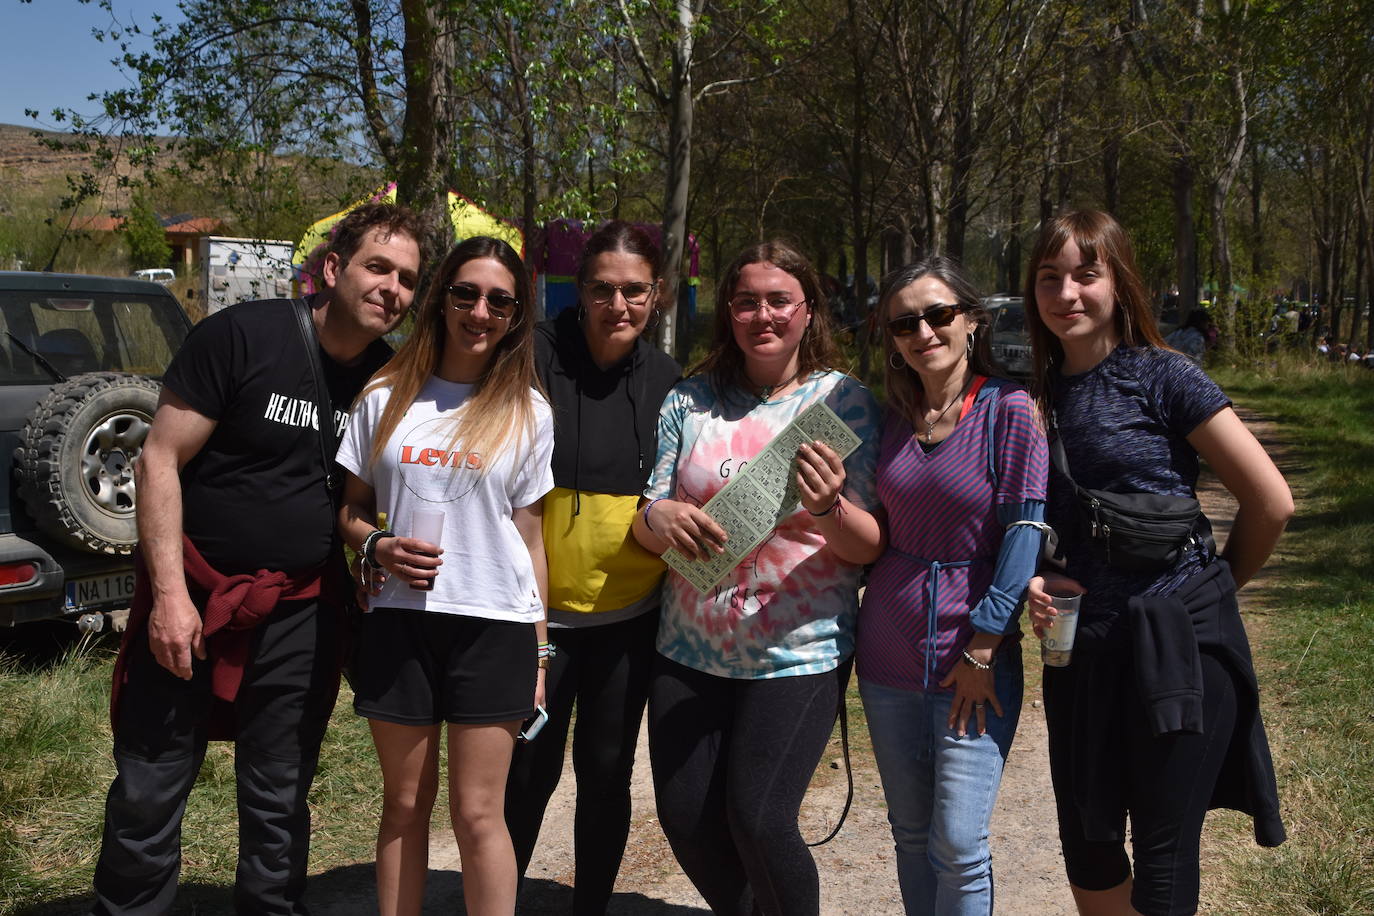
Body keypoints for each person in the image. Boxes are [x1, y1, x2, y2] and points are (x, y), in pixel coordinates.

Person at [90, 202, 423, 915]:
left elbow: (368, 500)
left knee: (278, 797)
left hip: (301, 614)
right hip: (195, 597)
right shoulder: (242, 337)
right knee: (150, 789)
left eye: (406, 278)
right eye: (377, 267)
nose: (391, 288)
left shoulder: (389, 382)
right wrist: (172, 600)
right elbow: (158, 460)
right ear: (333, 268)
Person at [1023, 210, 1292, 916]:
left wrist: (1214, 589)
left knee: (1165, 857)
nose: (1067, 293)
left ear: (1119, 281)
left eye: (1086, 274)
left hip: (1175, 647)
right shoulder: (1030, 398)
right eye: (1050, 278)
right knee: (1088, 841)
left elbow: (1270, 500)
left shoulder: (1164, 376)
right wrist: (1034, 579)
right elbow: (1025, 522)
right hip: (1080, 654)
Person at [630, 240, 884, 916]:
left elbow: (868, 546)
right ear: (728, 312)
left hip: (796, 653)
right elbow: (644, 512)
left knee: (761, 819)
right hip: (688, 647)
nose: (762, 315)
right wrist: (663, 516)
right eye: (747, 301)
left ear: (808, 311)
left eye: (779, 301)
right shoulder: (690, 400)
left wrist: (829, 506)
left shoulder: (845, 402)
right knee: (685, 820)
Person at [335, 236, 553, 916]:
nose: (480, 311)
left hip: (495, 627)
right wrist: (375, 547)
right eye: (466, 293)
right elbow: (350, 509)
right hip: (400, 623)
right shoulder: (383, 395)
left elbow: (530, 536)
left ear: (517, 316)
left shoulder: (530, 411)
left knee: (479, 815)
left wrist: (541, 652)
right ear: (442, 299)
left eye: (499, 300)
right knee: (403, 805)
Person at [857, 256, 1049, 914]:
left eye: (939, 315)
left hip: (973, 656)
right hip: (885, 656)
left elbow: (1026, 531)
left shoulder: (1009, 410)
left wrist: (986, 643)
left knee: (960, 842)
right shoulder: (892, 417)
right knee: (911, 835)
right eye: (904, 322)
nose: (923, 332)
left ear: (971, 321)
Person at [500, 221, 680, 913]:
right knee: (527, 771)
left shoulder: (670, 383)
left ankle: (591, 907)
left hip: (626, 624)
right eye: (603, 289)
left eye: (635, 290)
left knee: (606, 773)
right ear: (580, 291)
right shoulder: (531, 358)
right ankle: (499, 899)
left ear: (657, 295)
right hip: (533, 619)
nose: (619, 305)